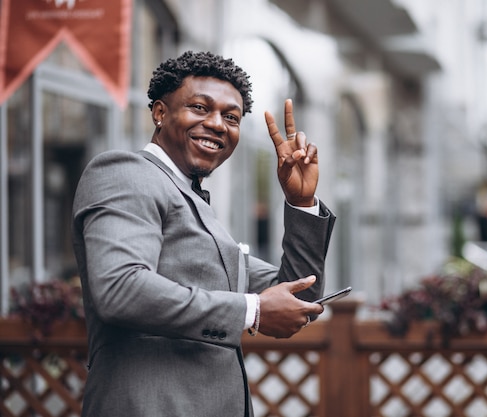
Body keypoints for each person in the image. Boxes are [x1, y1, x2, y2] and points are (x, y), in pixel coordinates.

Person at [72, 50, 335, 417]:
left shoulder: (195, 203)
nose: (217, 124)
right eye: (200, 108)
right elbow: (121, 288)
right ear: (160, 113)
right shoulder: (126, 172)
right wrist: (251, 309)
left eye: (231, 117)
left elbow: (299, 292)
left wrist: (301, 200)